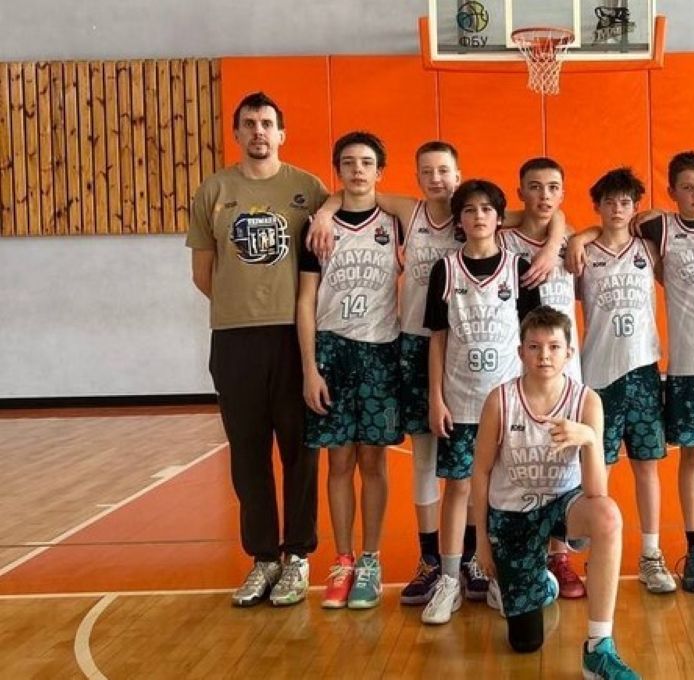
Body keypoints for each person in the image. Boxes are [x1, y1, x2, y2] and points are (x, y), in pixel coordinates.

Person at [307, 147, 567, 603]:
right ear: (416, 176)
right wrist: (326, 212)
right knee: (428, 457)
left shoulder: (480, 215)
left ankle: (472, 557)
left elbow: (546, 213)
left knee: (477, 463)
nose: (436, 179)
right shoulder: (410, 212)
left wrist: (552, 242)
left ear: (459, 175)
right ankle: (432, 560)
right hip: (416, 344)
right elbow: (355, 190)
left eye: (444, 170)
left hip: (474, 354)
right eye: (426, 171)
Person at [571, 151, 694, 593]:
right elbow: (595, 233)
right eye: (687, 187)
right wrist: (581, 235)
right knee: (617, 465)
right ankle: (681, 549)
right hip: (656, 368)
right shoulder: (651, 233)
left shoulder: (671, 234)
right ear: (671, 192)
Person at [187, 91, 327, 607]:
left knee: (300, 452)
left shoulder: (308, 188)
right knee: (248, 454)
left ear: (281, 133)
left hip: (294, 337)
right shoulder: (214, 190)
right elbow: (203, 273)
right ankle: (263, 558)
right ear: (237, 133)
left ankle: (298, 556)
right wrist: (241, 305)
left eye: (267, 123)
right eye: (249, 124)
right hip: (234, 339)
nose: (259, 132)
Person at [472, 306, 639, 679]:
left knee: (608, 516)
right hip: (512, 515)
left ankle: (599, 647)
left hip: (563, 504)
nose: (543, 355)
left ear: (569, 353)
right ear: (521, 352)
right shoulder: (500, 401)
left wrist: (589, 439)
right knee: (525, 643)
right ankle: (539, 582)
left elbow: (596, 492)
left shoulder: (586, 401)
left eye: (553, 347)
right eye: (534, 347)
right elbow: (480, 472)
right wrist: (481, 541)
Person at [421, 179, 542, 624]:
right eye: (469, 210)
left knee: (503, 491)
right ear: (459, 219)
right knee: (458, 488)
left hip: (507, 404)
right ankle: (449, 580)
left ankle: (497, 575)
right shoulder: (445, 269)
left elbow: (534, 340)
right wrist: (436, 398)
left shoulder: (518, 267)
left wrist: (533, 400)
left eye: (487, 209)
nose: (478, 217)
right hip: (460, 399)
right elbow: (438, 339)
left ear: (499, 217)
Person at [296, 131, 400, 609]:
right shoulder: (317, 228)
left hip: (380, 351)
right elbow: (305, 300)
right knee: (338, 462)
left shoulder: (396, 222)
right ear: (337, 170)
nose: (357, 169)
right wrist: (309, 368)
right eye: (348, 162)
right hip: (331, 352)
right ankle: (343, 560)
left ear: (380, 171)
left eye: (366, 162)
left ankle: (371, 560)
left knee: (374, 462)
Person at [577, 168, 675, 594]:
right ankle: (597, 554)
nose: (617, 209)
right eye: (609, 202)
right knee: (598, 469)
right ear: (597, 206)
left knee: (646, 466)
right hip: (599, 374)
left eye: (625, 202)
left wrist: (651, 216)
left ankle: (651, 554)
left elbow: (674, 224)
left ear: (635, 207)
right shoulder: (581, 252)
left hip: (643, 370)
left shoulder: (649, 248)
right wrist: (580, 236)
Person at [499, 157, 588, 598]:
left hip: (564, 368)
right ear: (520, 193)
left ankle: (560, 555)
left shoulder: (571, 240)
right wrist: (550, 239)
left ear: (563, 193)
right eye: (534, 187)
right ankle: (525, 551)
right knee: (519, 460)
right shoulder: (503, 238)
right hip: (519, 363)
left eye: (553, 187)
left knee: (562, 459)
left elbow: (578, 226)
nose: (544, 195)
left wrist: (558, 241)